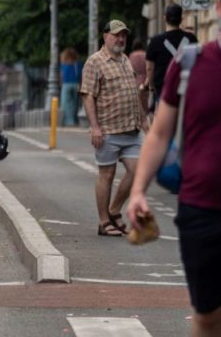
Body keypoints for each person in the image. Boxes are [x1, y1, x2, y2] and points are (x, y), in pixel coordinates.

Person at [127, 30, 221, 337]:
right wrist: (139, 190)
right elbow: (159, 134)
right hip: (201, 210)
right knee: (207, 316)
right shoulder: (191, 63)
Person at [81, 19, 147, 237]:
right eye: (116, 35)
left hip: (132, 129)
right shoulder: (95, 62)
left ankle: (114, 209)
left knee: (138, 173)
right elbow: (88, 96)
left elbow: (133, 93)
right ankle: (103, 222)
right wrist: (95, 128)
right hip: (108, 129)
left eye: (124, 35)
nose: (121, 39)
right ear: (105, 36)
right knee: (106, 175)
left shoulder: (125, 60)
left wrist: (144, 118)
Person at [145, 4, 198, 106]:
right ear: (181, 19)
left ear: (165, 18)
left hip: (163, 90)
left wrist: (151, 87)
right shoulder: (191, 39)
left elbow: (149, 68)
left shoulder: (155, 41)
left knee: (164, 120)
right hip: (186, 88)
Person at [59, 47, 83, 126]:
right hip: (76, 84)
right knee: (75, 103)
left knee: (66, 104)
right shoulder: (78, 64)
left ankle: (69, 121)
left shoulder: (63, 64)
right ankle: (75, 119)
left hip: (66, 84)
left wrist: (60, 84)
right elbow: (80, 75)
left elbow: (61, 75)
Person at [129, 40, 149, 114]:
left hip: (135, 79)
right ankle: (145, 114)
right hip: (145, 78)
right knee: (144, 99)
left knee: (136, 99)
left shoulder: (131, 55)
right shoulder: (145, 54)